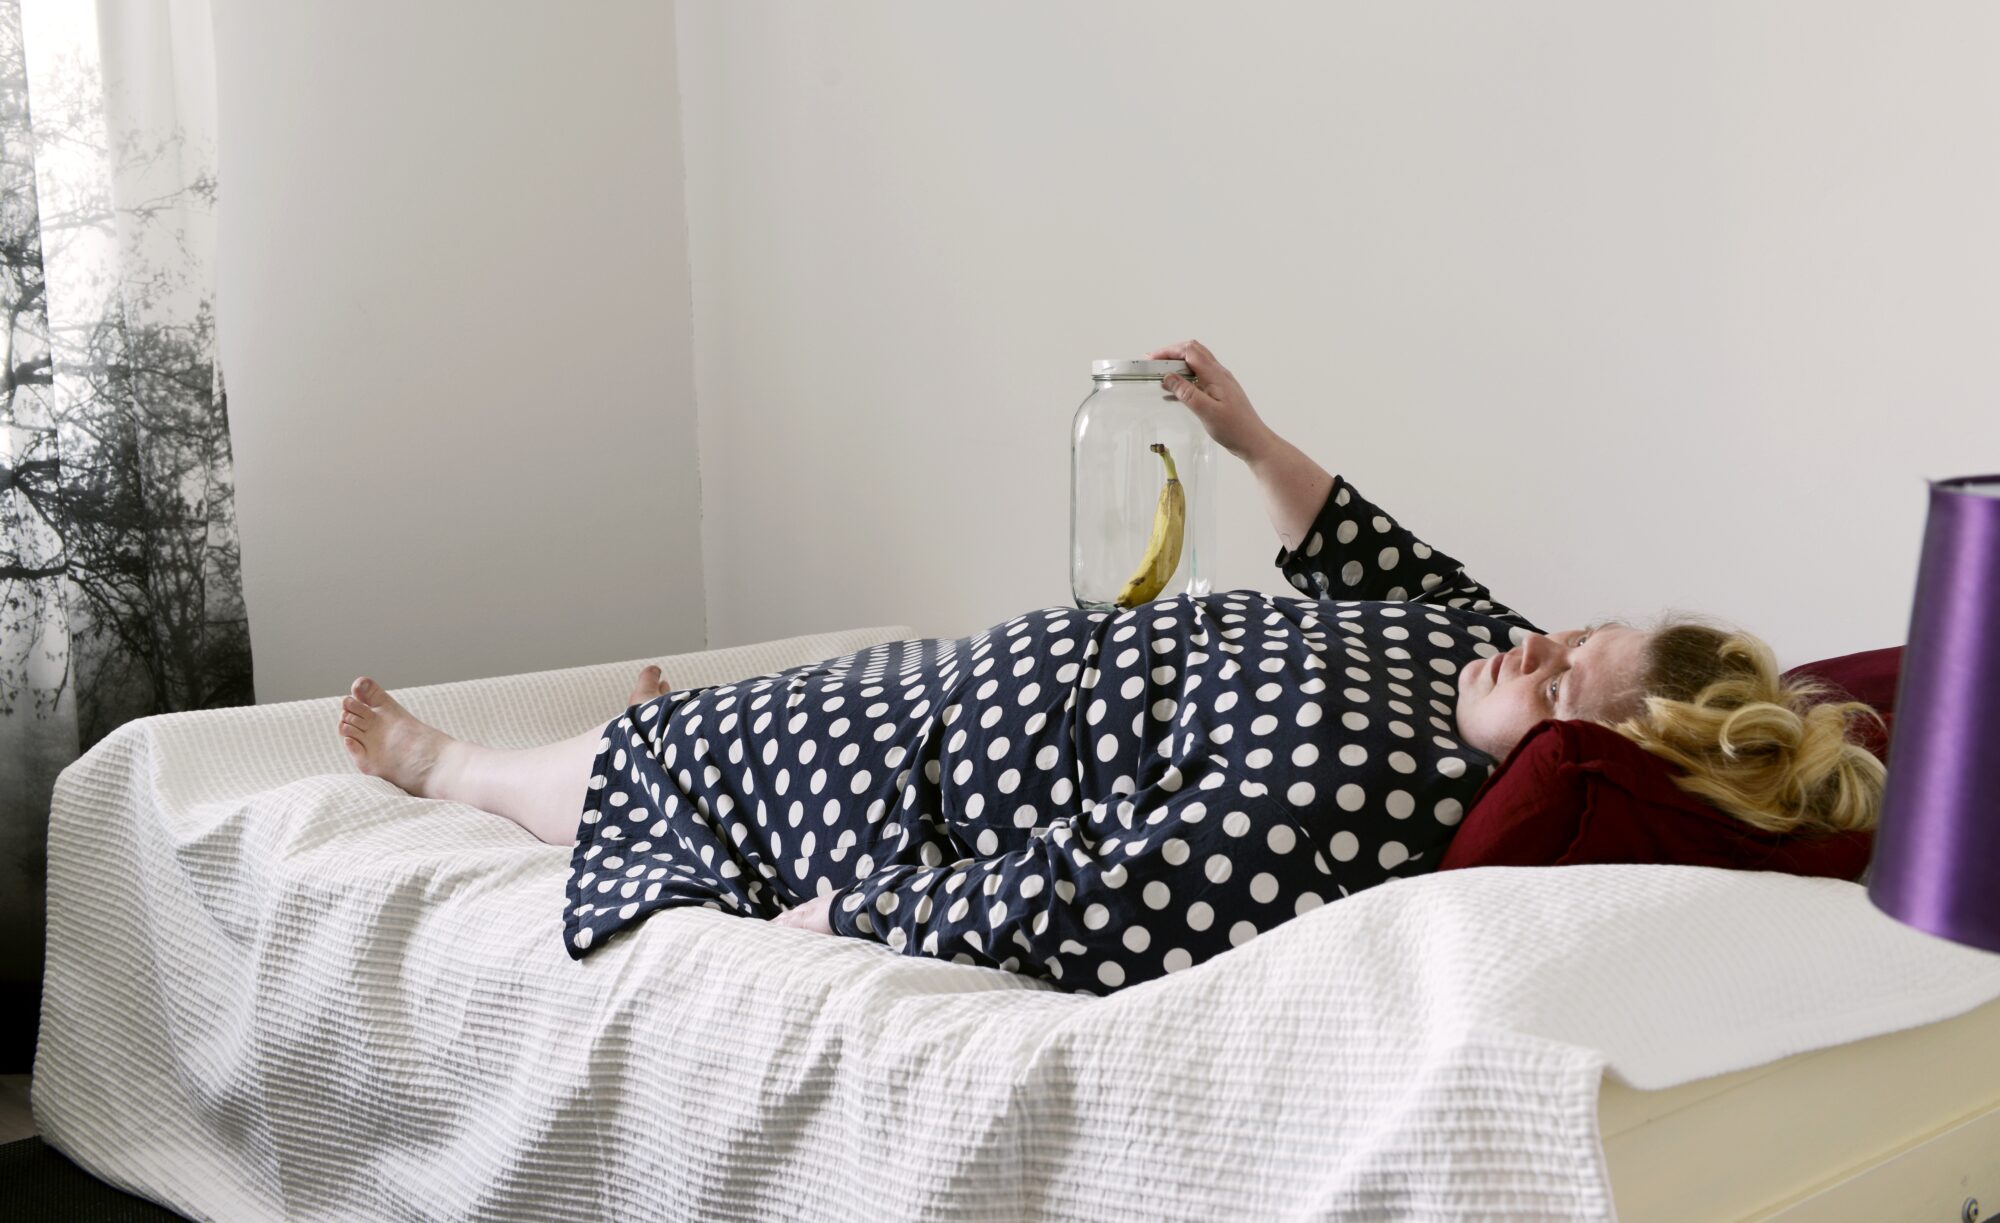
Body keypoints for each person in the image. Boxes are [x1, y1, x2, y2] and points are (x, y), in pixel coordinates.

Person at [338, 340, 1887, 996]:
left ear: (1568, 768)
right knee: (802, 697)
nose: (1537, 649)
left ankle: (469, 771)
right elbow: (1389, 560)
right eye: (1575, 631)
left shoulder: (1374, 807)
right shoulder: (1474, 657)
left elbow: (1103, 893)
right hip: (975, 677)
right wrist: (1252, 436)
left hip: (924, 784)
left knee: (680, 763)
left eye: (1563, 686)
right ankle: (699, 728)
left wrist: (851, 917)